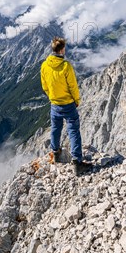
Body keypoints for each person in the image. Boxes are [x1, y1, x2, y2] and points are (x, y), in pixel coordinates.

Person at [40, 37, 93, 175]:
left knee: (56, 128)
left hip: (55, 104)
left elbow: (44, 85)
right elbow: (73, 86)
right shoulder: (66, 66)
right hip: (68, 104)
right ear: (62, 49)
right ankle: (77, 162)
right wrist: (76, 100)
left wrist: (52, 96)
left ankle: (56, 153)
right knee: (73, 130)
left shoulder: (44, 65)